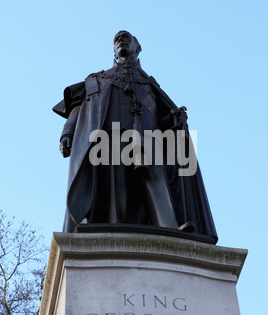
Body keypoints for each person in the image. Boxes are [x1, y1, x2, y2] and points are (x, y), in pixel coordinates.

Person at [53, 31, 218, 242]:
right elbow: (79, 108)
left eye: (126, 38)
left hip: (148, 137)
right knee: (116, 189)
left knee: (156, 180)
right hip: (110, 138)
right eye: (116, 39)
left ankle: (171, 230)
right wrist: (67, 133)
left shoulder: (150, 84)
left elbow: (162, 118)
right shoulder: (97, 79)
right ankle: (113, 231)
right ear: (113, 49)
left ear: (138, 48)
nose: (120, 40)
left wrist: (176, 121)